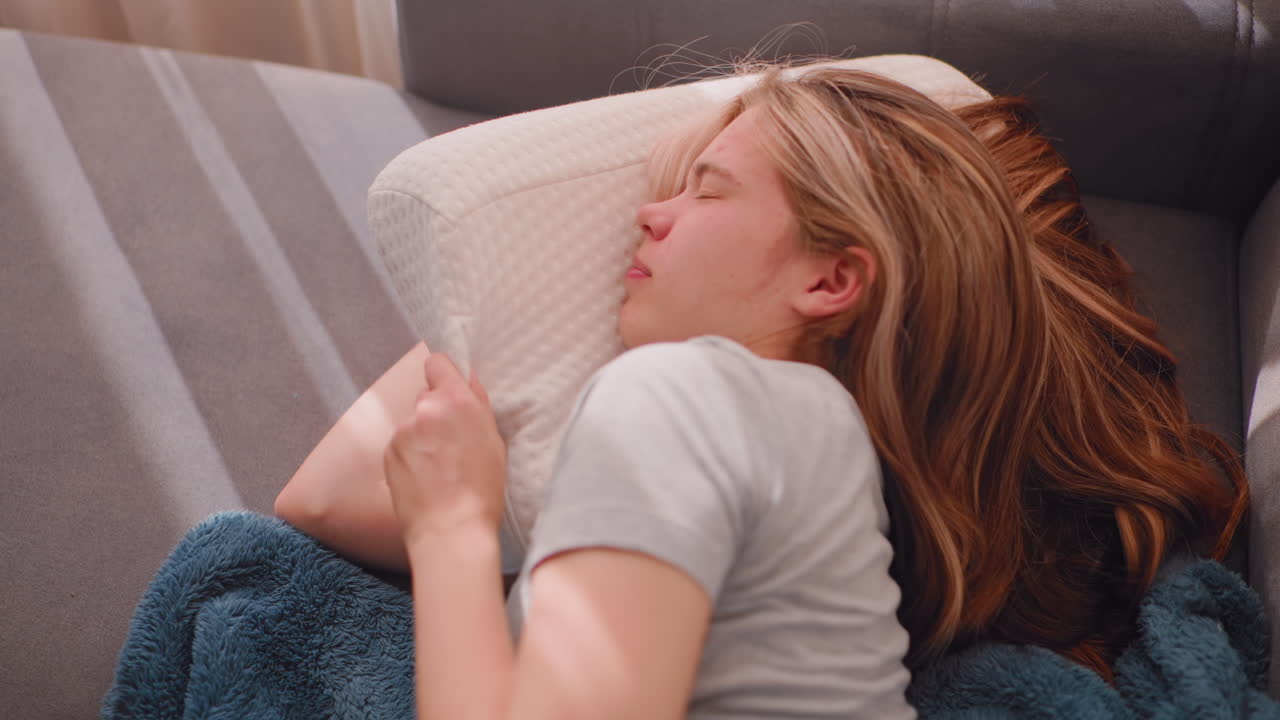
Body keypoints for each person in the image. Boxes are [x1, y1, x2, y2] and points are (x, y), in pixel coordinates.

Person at [274, 63, 1249, 719]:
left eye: (706, 189)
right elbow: (321, 499)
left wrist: (450, 532)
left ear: (832, 281)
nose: (646, 215)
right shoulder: (814, 442)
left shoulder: (680, 400)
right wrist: (477, 290)